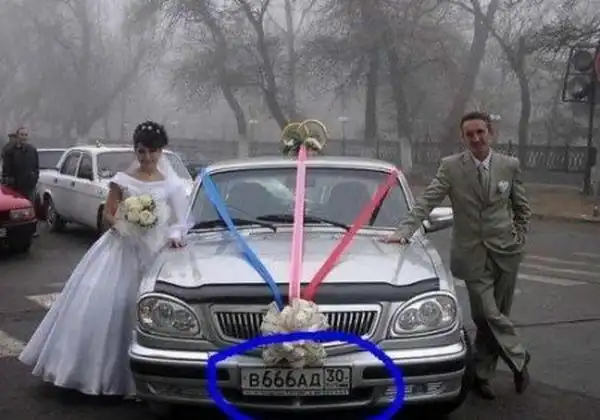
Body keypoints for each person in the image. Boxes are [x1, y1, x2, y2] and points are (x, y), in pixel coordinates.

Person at [19, 121, 188, 397]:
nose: (147, 157)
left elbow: (181, 221)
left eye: (153, 151)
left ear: (161, 151)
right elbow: (109, 213)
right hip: (121, 247)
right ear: (135, 150)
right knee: (113, 303)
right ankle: (104, 376)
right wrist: (125, 222)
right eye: (142, 151)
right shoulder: (122, 180)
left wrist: (174, 234)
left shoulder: (172, 184)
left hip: (156, 251)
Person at [382, 111, 532, 400]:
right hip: (471, 254)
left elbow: (521, 207)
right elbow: (428, 199)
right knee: (486, 313)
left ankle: (483, 375)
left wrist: (520, 237)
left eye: (480, 132)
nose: (476, 138)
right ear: (462, 138)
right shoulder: (451, 167)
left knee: (495, 318)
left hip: (506, 253)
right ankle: (520, 358)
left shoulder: (509, 166)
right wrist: (404, 230)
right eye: (469, 134)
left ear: (491, 133)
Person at [1, 128, 40, 236]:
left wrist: (35, 177)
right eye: (22, 135)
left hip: (29, 185)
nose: (24, 137)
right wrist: (9, 182)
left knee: (30, 208)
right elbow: (6, 169)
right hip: (15, 187)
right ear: (17, 136)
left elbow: (36, 167)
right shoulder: (9, 151)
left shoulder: (32, 150)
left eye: (25, 135)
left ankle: (32, 231)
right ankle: (15, 232)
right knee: (16, 210)